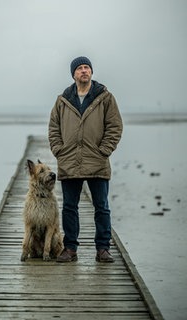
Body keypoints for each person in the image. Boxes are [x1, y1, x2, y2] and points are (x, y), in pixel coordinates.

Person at [48, 56, 123, 263]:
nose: (84, 71)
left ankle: (103, 249)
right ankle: (70, 249)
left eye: (87, 68)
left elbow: (115, 126)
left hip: (97, 160)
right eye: (80, 68)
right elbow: (54, 128)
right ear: (73, 74)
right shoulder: (63, 100)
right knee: (70, 208)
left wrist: (104, 150)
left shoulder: (105, 97)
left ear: (91, 72)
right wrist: (59, 150)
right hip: (69, 161)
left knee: (102, 207)